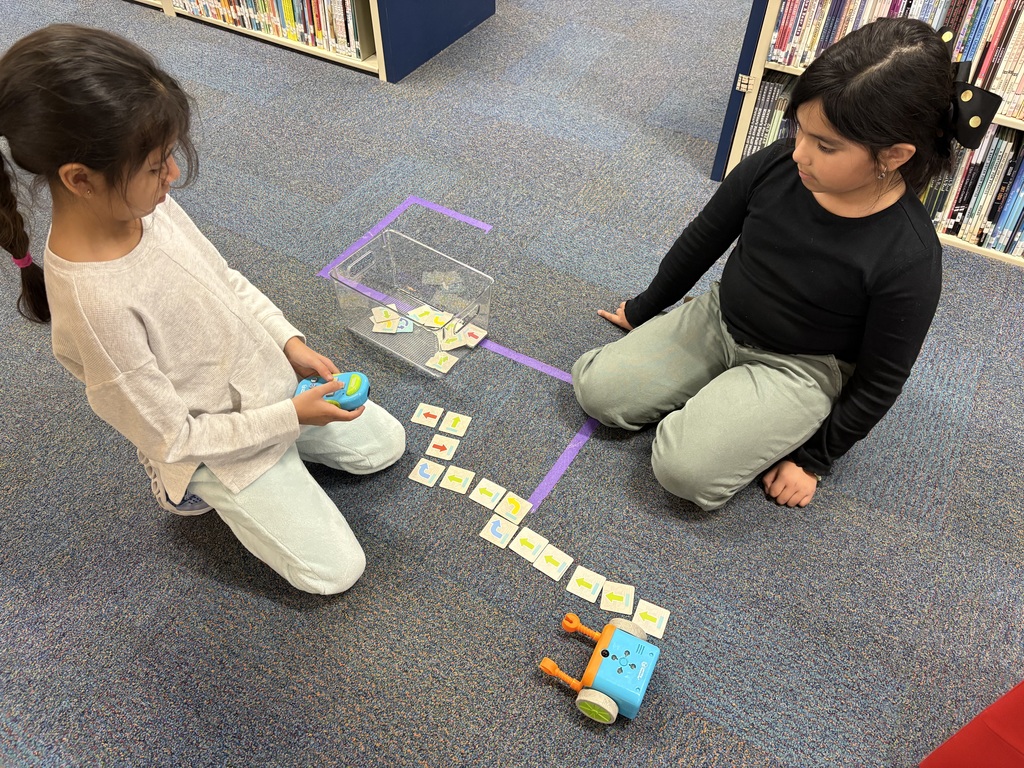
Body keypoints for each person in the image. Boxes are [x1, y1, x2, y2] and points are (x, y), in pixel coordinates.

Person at [0, 24, 406, 594]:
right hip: (208, 445)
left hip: (265, 387)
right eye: (155, 164)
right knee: (336, 573)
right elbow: (175, 437)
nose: (172, 175)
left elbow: (228, 283)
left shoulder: (146, 207)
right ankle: (189, 490)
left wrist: (289, 344)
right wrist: (292, 419)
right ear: (80, 180)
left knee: (385, 444)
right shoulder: (96, 309)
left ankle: (283, 440)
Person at [572, 18, 999, 512]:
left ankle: (746, 412)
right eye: (800, 131)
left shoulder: (910, 256)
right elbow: (702, 240)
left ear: (894, 156)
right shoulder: (778, 164)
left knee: (684, 471)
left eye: (826, 145)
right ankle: (716, 394)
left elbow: (881, 379)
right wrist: (645, 310)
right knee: (597, 390)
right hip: (719, 317)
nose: (800, 152)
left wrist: (815, 459)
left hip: (799, 368)